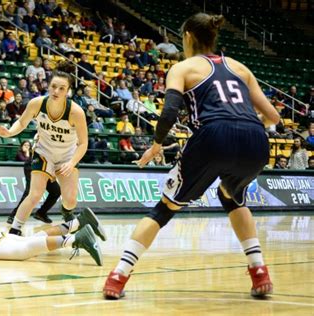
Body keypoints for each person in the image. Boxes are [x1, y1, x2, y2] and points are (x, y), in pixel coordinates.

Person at [103, 13, 280, 300]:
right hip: (256, 140)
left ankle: (118, 275)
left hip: (213, 136)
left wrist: (157, 144)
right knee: (231, 196)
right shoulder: (241, 68)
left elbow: (170, 110)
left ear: (187, 37)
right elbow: (273, 117)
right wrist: (241, 122)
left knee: (164, 209)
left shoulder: (184, 67)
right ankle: (259, 270)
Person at [0, 61, 95, 238]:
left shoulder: (76, 112)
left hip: (67, 156)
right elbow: (22, 123)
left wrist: (72, 163)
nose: (56, 91)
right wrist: (9, 132)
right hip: (44, 152)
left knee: (70, 199)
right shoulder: (36, 103)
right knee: (35, 194)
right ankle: (15, 231)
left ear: (68, 91)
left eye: (61, 88)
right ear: (48, 85)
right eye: (53, 86)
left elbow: (83, 143)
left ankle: (67, 214)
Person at [7, 140, 61, 224]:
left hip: (48, 166)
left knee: (56, 191)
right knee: (30, 192)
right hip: (35, 164)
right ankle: (13, 216)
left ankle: (41, 213)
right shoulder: (46, 134)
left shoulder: (64, 141)